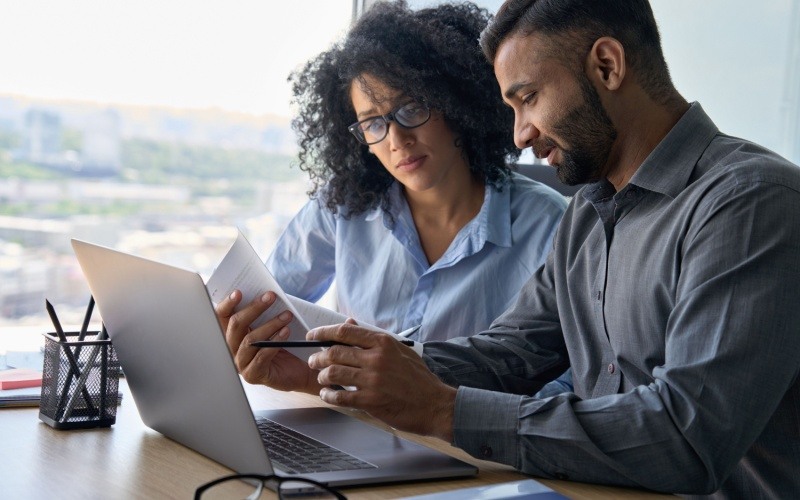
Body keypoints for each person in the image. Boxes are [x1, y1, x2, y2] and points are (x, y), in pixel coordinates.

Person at [217, 0, 800, 497]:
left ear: (607, 64)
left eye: (528, 98)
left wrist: (445, 412)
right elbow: (510, 355)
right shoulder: (590, 214)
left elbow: (685, 438)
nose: (519, 133)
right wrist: (336, 373)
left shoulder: (750, 202)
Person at [262, 1, 566, 343]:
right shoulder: (342, 207)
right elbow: (266, 303)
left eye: (411, 108)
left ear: (456, 104)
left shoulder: (549, 225)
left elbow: (569, 379)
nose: (396, 139)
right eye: (372, 123)